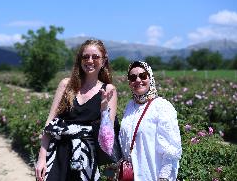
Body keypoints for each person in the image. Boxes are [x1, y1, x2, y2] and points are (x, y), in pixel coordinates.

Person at [35, 39, 117, 181]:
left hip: (88, 158)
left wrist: (104, 111)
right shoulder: (66, 85)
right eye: (85, 57)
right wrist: (42, 158)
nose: (90, 60)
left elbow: (108, 138)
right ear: (80, 60)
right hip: (58, 154)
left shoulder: (109, 90)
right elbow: (50, 123)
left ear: (104, 61)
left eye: (95, 57)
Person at [119, 61, 182, 181]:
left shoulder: (161, 106)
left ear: (150, 78)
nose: (138, 80)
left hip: (151, 174)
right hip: (130, 176)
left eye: (143, 76)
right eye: (132, 77)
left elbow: (171, 149)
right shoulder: (130, 106)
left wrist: (164, 177)